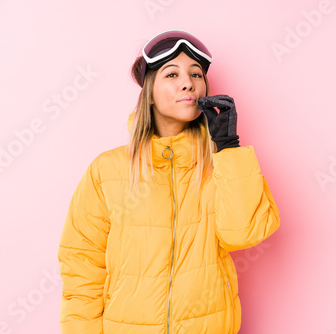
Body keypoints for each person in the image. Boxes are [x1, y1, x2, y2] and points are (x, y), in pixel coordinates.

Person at [58, 29, 280, 334]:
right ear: (149, 91)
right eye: (171, 74)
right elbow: (82, 265)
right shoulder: (107, 171)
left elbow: (243, 234)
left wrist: (227, 147)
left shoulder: (222, 165)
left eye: (196, 74)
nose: (188, 82)